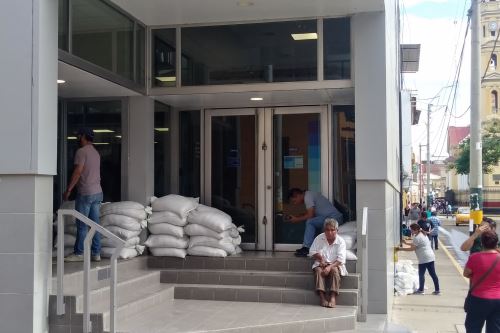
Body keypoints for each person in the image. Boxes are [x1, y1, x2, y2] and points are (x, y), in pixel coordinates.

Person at [63, 128, 103, 262]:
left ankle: (79, 253)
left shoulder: (81, 152)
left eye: (79, 135)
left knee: (82, 224)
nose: (78, 138)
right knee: (95, 224)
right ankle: (96, 253)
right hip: (98, 192)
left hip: (86, 193)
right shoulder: (96, 153)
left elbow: (78, 172)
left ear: (84, 137)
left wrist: (69, 189)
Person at [287, 188, 343, 257]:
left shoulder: (307, 197)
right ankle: (311, 248)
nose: (294, 203)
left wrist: (297, 219)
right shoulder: (309, 194)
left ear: (297, 195)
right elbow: (313, 213)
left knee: (310, 222)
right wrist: (301, 215)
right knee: (312, 222)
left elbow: (310, 215)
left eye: (294, 201)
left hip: (334, 218)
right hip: (329, 217)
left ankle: (306, 248)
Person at [463, 230, 500, 332]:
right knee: (495, 329)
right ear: (496, 243)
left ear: (482, 243)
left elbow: (466, 273)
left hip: (479, 298)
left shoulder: (475, 257)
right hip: (498, 299)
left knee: (473, 327)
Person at [308, 218, 347, 308]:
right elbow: (312, 252)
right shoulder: (319, 238)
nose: (329, 232)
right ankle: (322, 297)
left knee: (335, 271)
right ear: (324, 230)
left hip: (335, 264)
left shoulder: (341, 241)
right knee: (318, 271)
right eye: (327, 230)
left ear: (337, 230)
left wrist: (329, 267)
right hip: (321, 264)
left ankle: (333, 297)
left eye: (332, 230)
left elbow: (341, 259)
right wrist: (320, 259)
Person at [398, 223, 440, 295]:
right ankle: (437, 290)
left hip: (424, 258)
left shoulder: (417, 237)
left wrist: (400, 249)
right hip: (430, 256)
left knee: (421, 274)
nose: (411, 231)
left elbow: (412, 248)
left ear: (416, 230)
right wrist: (406, 243)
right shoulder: (423, 234)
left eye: (412, 230)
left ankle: (421, 290)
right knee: (433, 274)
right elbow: (416, 244)